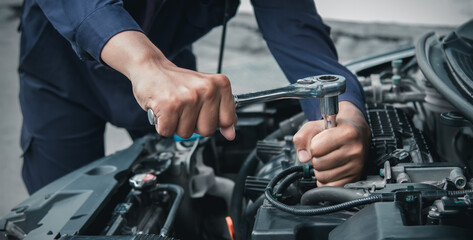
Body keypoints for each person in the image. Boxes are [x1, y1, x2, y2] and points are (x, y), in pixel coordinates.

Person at [18, 0, 370, 194]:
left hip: (173, 75)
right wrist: (145, 63)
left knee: (191, 191)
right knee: (62, 206)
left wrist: (348, 118)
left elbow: (299, 34)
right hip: (61, 75)